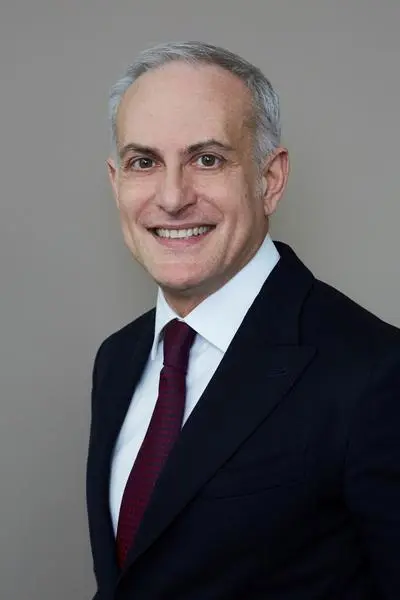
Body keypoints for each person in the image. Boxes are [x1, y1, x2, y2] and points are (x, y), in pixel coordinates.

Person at [86, 41, 400, 600]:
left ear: (269, 179)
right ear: (116, 182)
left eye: (207, 159)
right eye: (144, 162)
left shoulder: (376, 373)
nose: (172, 197)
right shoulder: (117, 359)